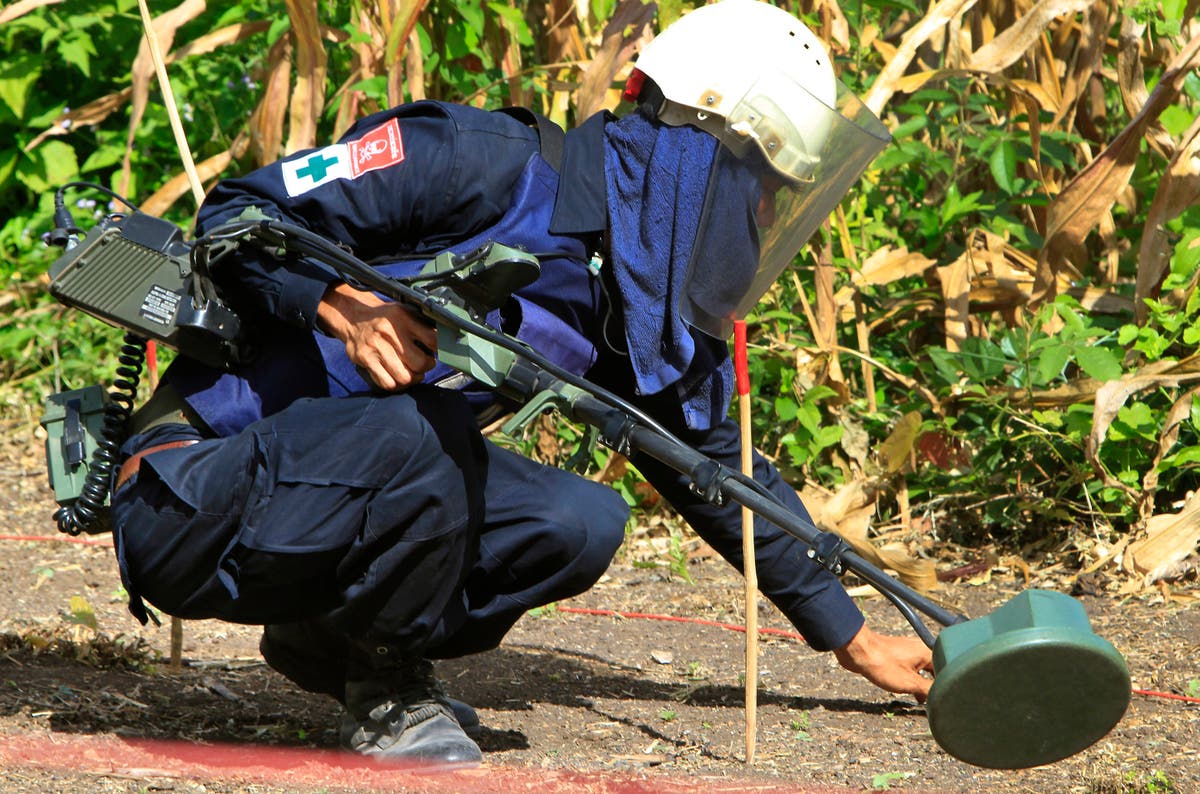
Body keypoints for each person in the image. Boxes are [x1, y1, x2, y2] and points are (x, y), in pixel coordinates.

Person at [108, 0, 933, 768]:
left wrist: (853, 637)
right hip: (191, 488)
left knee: (579, 521)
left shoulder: (633, 296)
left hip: (331, 495)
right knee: (420, 430)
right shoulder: (477, 162)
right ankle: (389, 691)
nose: (757, 217)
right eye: (756, 185)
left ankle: (331, 645)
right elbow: (234, 214)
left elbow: (719, 472)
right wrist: (339, 305)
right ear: (692, 149)